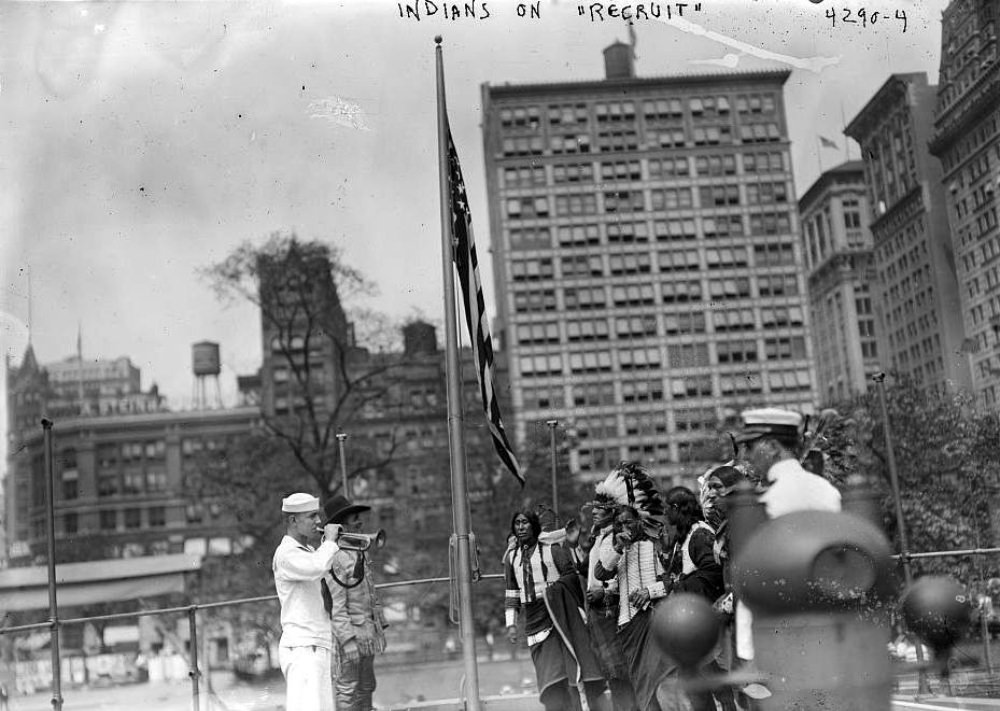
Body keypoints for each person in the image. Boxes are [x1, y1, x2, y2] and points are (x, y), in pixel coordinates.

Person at [731, 408, 842, 700]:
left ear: (771, 446)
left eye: (752, 446)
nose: (747, 455)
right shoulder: (828, 491)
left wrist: (746, 650)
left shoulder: (767, 501)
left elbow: (753, 582)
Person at [592, 462, 691, 711]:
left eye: (629, 522)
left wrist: (650, 591)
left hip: (656, 620)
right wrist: (618, 547)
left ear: (639, 521)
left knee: (662, 678)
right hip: (628, 626)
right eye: (620, 523)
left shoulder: (656, 544)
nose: (626, 527)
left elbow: (674, 579)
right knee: (642, 684)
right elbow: (601, 571)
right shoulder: (611, 545)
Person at [504, 509, 608, 711]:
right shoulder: (511, 558)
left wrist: (553, 593)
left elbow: (570, 575)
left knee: (571, 671)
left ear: (533, 526)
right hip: (534, 622)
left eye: (525, 522)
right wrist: (511, 625)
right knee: (549, 679)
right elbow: (511, 592)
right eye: (517, 523)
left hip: (560, 618)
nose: (521, 527)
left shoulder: (552, 550)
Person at [662, 486, 737, 711]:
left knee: (715, 683)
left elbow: (712, 574)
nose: (665, 514)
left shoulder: (700, 533)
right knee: (697, 686)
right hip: (691, 623)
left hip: (705, 622)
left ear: (677, 508)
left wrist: (681, 585)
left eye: (668, 508)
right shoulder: (684, 536)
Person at [272, 492, 343, 711]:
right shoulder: (286, 554)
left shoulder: (308, 551)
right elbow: (315, 568)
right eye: (312, 516)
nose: (319, 522)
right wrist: (330, 542)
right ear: (293, 520)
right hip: (303, 647)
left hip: (316, 643)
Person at [323, 495, 388, 711]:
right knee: (347, 688)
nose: (360, 522)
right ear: (341, 526)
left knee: (367, 685)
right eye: (355, 519)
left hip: (367, 633)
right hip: (352, 637)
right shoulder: (336, 556)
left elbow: (369, 595)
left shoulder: (356, 551)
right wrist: (347, 640)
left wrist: (378, 627)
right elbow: (336, 605)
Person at [583, 493, 638, 711]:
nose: (594, 512)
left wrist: (604, 590)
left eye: (600, 508)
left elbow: (621, 573)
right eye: (593, 508)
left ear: (612, 512)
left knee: (618, 670)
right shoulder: (599, 538)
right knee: (609, 669)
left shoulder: (616, 538)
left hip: (611, 609)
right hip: (598, 610)